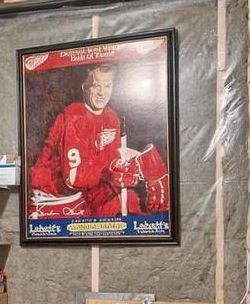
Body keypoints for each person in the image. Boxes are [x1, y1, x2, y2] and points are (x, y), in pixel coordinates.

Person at [28, 64, 170, 218]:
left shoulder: (111, 116)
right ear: (85, 86)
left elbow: (113, 153)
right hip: (58, 197)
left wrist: (153, 168)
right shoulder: (74, 116)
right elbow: (75, 178)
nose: (102, 93)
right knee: (123, 205)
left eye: (107, 86)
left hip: (88, 193)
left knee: (133, 204)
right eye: (96, 86)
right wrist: (110, 171)